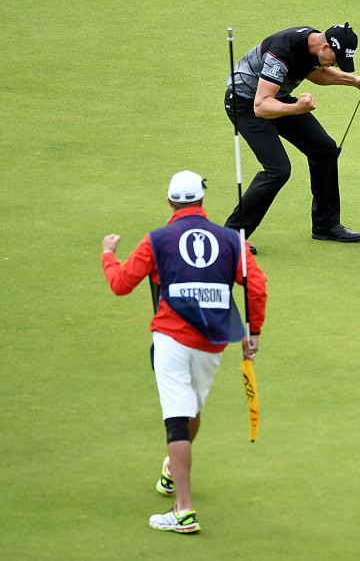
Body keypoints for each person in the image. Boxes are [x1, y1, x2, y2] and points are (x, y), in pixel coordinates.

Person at [101, 170, 267, 534]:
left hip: (172, 337)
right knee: (189, 411)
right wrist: (253, 332)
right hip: (213, 342)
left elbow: (121, 284)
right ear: (202, 200)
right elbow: (256, 286)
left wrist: (108, 255)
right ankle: (171, 472)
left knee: (179, 416)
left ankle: (184, 511)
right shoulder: (231, 239)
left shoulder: (157, 239)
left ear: (170, 201)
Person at [225, 22, 360, 251]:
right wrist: (297, 108)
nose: (336, 64)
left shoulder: (314, 47)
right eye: (336, 58)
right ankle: (232, 235)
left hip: (276, 98)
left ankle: (326, 224)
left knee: (324, 149)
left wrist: (353, 80)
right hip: (245, 104)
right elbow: (261, 107)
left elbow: (317, 73)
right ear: (325, 47)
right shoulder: (282, 52)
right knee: (278, 171)